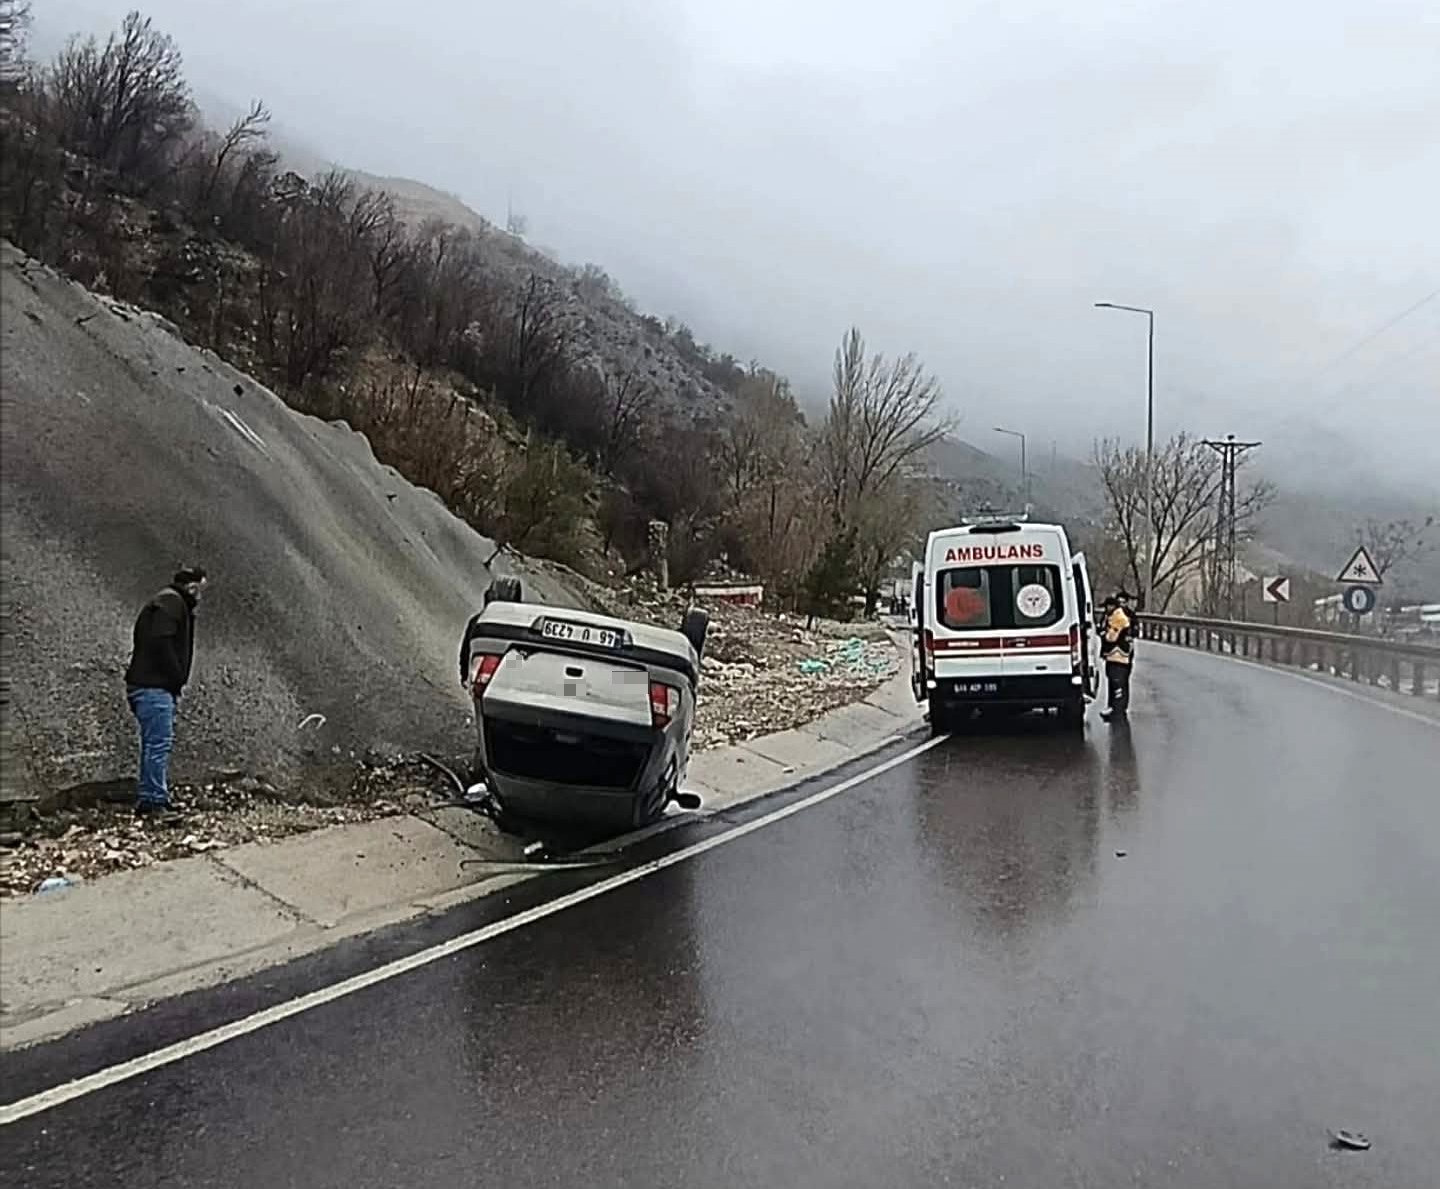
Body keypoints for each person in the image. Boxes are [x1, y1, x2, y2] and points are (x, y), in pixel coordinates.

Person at [124, 567, 207, 815]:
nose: (201, 596)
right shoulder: (171, 603)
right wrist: (176, 676)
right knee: (158, 745)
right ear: (192, 587)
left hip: (151, 686)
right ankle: (153, 801)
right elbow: (160, 642)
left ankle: (154, 797)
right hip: (154, 687)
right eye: (200, 589)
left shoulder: (167, 602)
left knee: (154, 744)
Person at [1099, 589, 1134, 721]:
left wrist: (1104, 634)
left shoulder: (1118, 618)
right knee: (1114, 680)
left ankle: (1117, 708)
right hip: (1113, 654)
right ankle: (1114, 706)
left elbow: (1111, 638)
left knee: (1118, 681)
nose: (1106, 609)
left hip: (1118, 654)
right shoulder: (1110, 616)